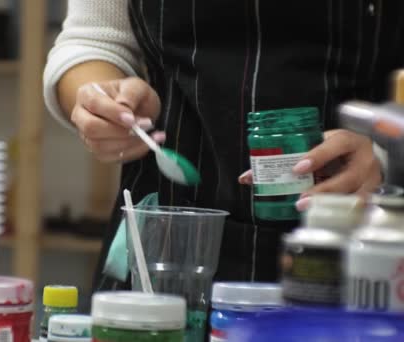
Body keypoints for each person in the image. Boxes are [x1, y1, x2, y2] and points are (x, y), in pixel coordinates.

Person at [43, 1, 398, 289]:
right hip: (163, 243)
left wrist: (387, 154)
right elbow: (95, 41)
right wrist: (104, 102)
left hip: (367, 245)